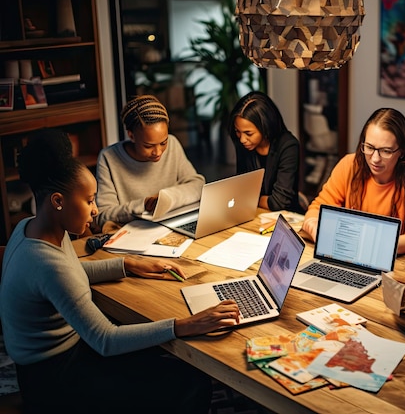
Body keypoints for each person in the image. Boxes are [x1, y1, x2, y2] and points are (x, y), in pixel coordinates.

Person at [0, 129, 240, 414]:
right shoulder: (46, 263)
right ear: (58, 201)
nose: (95, 210)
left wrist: (128, 264)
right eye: (88, 200)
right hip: (54, 379)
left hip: (59, 357)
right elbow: (105, 339)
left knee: (163, 359)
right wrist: (187, 324)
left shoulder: (32, 227)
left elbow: (71, 272)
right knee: (190, 383)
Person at [302, 107, 405, 254]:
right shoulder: (349, 165)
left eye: (386, 151)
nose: (375, 159)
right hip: (349, 254)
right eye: (369, 147)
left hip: (395, 261)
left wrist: (378, 246)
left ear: (402, 152)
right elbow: (317, 209)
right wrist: (317, 229)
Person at [94, 94, 205, 229]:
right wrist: (143, 205)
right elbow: (103, 215)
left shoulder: (173, 144)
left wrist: (167, 198)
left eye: (163, 143)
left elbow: (198, 185)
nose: (158, 152)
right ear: (131, 135)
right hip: (133, 234)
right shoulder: (109, 158)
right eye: (148, 146)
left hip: (172, 227)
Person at [228, 91, 303, 213]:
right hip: (255, 212)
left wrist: (251, 199)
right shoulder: (244, 143)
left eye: (248, 133)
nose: (242, 139)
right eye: (238, 131)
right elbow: (242, 187)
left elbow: (279, 202)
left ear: (265, 127)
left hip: (286, 217)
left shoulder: (288, 146)